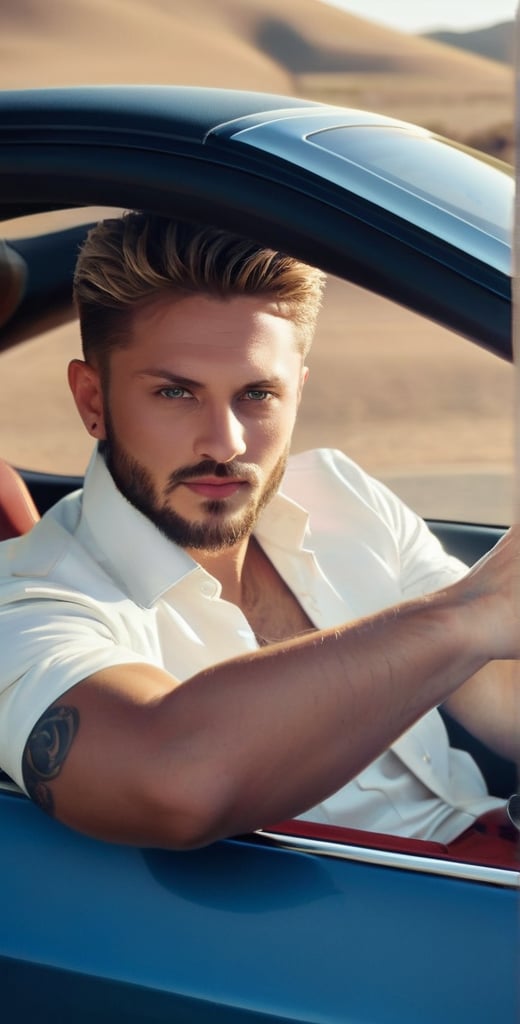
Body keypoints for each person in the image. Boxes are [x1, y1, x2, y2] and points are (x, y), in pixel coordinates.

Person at [0, 213, 518, 854]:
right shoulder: (27, 600)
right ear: (92, 401)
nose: (226, 443)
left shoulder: (339, 494)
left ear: (297, 391)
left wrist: (479, 620)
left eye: (257, 395)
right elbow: (172, 779)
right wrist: (465, 616)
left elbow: (502, 690)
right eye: (174, 393)